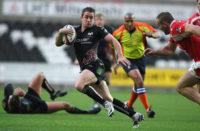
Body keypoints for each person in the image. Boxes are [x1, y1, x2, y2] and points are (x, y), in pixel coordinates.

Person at [55, 7, 144, 128]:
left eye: (91, 17)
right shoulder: (74, 31)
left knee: (79, 85)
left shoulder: (97, 30)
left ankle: (103, 104)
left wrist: (120, 56)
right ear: (81, 18)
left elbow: (114, 41)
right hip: (87, 68)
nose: (89, 20)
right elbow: (58, 43)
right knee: (108, 97)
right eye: (86, 17)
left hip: (96, 66)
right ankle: (134, 115)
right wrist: (61, 33)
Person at [144, 12, 200, 106]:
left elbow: (193, 28)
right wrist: (154, 52)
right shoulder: (174, 31)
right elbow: (170, 50)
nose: (159, 28)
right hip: (197, 61)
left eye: (159, 25)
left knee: (181, 86)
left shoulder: (175, 27)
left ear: (165, 24)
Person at [112, 12, 159, 118]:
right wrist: (116, 62)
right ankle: (148, 109)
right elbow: (111, 47)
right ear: (124, 21)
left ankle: (129, 105)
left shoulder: (142, 27)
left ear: (134, 20)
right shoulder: (118, 33)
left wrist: (150, 34)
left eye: (131, 21)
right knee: (139, 80)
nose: (129, 23)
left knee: (138, 84)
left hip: (141, 58)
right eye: (127, 21)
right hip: (127, 60)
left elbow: (157, 34)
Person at [2, 72, 101, 114]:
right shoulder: (25, 108)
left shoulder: (7, 103)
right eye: (13, 98)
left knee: (39, 75)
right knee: (65, 105)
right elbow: (40, 102)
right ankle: (87, 112)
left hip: (29, 98)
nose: (9, 98)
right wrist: (25, 95)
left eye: (10, 98)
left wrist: (11, 94)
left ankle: (53, 93)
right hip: (38, 106)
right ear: (19, 103)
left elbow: (8, 86)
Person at [95, 12, 113, 86]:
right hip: (96, 57)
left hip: (106, 57)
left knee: (107, 81)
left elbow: (113, 42)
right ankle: (100, 94)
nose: (99, 21)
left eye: (101, 20)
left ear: (104, 21)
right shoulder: (91, 29)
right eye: (97, 20)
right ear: (94, 21)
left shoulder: (108, 29)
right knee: (98, 78)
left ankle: (105, 94)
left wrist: (112, 55)